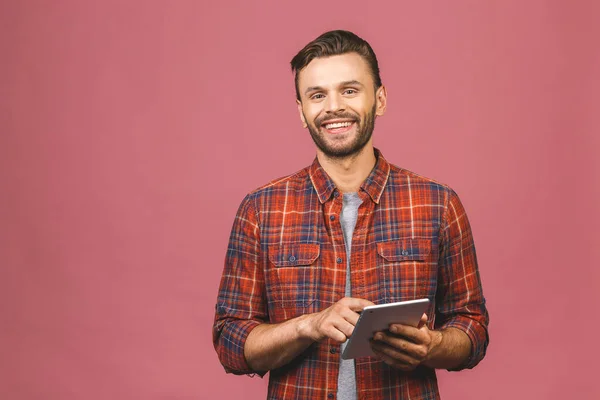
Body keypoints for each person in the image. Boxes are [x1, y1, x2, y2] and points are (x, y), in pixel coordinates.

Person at [213, 30, 489, 400]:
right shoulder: (261, 210)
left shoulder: (438, 204)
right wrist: (309, 325)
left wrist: (433, 345)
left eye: (349, 90)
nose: (333, 107)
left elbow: (473, 328)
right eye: (317, 95)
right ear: (301, 111)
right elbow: (230, 343)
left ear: (380, 99)